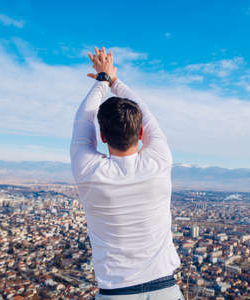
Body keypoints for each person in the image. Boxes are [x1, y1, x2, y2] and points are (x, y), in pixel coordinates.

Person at [70, 46, 183, 299]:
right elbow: (147, 112)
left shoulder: (90, 172)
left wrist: (102, 79)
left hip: (116, 293)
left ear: (101, 137)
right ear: (141, 133)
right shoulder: (160, 161)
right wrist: (113, 80)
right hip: (166, 291)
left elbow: (82, 121)